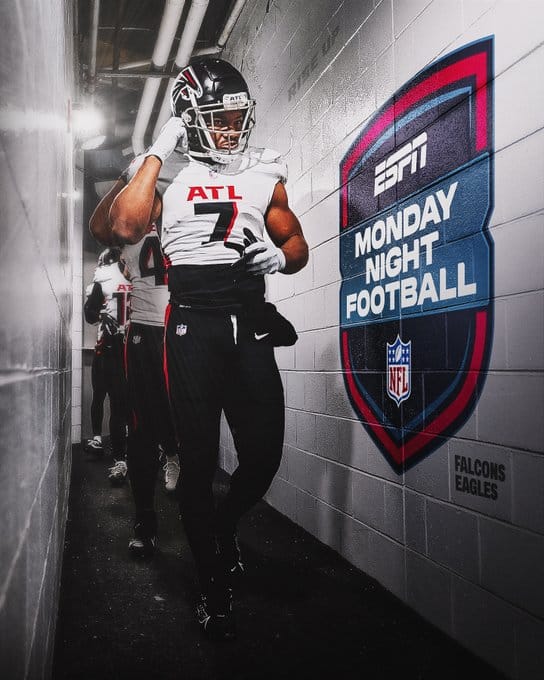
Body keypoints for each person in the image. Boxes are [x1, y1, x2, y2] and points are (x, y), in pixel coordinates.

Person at [108, 58, 308, 640]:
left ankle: (222, 527)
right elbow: (123, 227)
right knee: (197, 462)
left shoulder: (261, 172)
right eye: (219, 118)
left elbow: (294, 241)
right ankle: (214, 585)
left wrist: (283, 257)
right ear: (190, 119)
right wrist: (159, 147)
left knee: (264, 456)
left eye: (238, 117)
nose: (231, 129)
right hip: (192, 323)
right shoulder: (164, 178)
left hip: (248, 320)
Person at [89, 193, 181, 557]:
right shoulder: (126, 235)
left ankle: (173, 456)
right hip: (143, 331)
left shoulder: (182, 220)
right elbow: (100, 227)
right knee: (139, 424)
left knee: (187, 417)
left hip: (185, 327)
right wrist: (126, 180)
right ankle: (145, 520)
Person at [84, 247, 132, 485]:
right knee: (102, 396)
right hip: (105, 347)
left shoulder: (138, 275)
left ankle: (120, 457)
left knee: (119, 403)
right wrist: (103, 316)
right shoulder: (101, 280)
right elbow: (89, 314)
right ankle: (98, 439)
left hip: (128, 347)